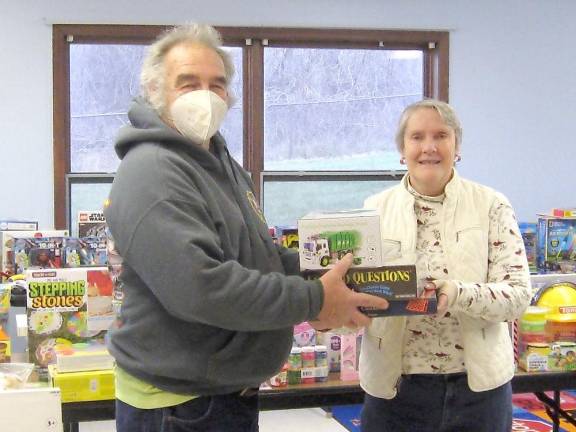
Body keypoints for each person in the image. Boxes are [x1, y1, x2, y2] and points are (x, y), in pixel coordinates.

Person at [103, 23, 388, 432]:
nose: (206, 94)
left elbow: (256, 255)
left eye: (216, 84)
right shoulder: (153, 170)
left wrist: (326, 277)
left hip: (219, 395)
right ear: (155, 91)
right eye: (188, 83)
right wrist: (314, 298)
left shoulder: (217, 161)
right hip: (180, 406)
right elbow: (202, 289)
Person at [359, 99, 532, 432]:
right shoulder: (374, 209)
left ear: (457, 145)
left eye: (441, 135)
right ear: (402, 149)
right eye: (417, 137)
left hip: (479, 392)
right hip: (395, 392)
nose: (429, 147)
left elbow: (518, 295)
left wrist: (458, 293)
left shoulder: (491, 205)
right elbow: (361, 294)